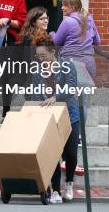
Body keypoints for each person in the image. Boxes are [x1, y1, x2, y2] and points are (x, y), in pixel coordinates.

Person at [31, 34, 80, 203]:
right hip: (48, 117)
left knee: (71, 154)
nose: (40, 59)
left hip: (69, 115)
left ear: (53, 52)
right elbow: (34, 91)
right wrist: (37, 102)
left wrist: (55, 97)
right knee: (53, 155)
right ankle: (56, 190)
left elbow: (71, 88)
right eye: (38, 56)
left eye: (43, 55)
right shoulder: (38, 71)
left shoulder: (67, 66)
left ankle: (69, 182)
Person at [49, 0, 101, 81]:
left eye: (64, 5)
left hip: (70, 64)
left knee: (68, 93)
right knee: (83, 92)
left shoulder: (68, 22)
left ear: (72, 6)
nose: (62, 8)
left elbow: (57, 42)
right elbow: (97, 41)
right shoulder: (89, 18)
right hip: (89, 64)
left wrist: (52, 34)